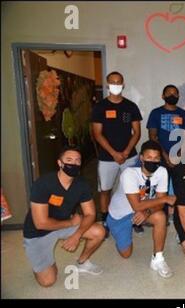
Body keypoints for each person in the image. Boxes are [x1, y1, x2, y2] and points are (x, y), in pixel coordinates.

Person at [23, 146, 105, 287]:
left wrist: (76, 235)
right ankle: (42, 264)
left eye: (77, 160)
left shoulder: (81, 185)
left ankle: (82, 263)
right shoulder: (43, 184)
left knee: (99, 231)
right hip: (38, 233)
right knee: (48, 281)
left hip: (65, 225)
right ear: (60, 163)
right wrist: (71, 223)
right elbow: (40, 224)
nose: (74, 164)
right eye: (69, 160)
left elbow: (90, 213)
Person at [106, 140, 176, 278]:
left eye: (156, 158)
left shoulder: (162, 172)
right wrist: (164, 199)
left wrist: (148, 212)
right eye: (149, 157)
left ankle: (158, 259)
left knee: (161, 216)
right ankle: (116, 229)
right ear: (141, 158)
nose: (153, 161)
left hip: (144, 210)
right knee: (126, 254)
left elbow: (159, 206)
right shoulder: (129, 173)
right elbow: (137, 205)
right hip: (120, 214)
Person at [91, 71, 142, 233]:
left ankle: (135, 219)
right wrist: (114, 153)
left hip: (129, 156)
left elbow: (137, 132)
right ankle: (105, 220)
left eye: (118, 82)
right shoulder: (100, 107)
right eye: (112, 82)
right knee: (105, 190)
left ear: (123, 84)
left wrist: (126, 152)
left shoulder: (131, 106)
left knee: (132, 189)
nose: (115, 85)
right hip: (107, 158)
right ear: (107, 85)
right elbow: (97, 134)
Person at [146, 84, 185, 230]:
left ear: (178, 96)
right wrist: (166, 156)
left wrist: (177, 156)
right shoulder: (155, 113)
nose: (172, 95)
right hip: (160, 159)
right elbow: (152, 137)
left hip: (180, 159)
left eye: (175, 93)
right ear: (163, 96)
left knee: (181, 190)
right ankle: (162, 218)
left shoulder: (184, 114)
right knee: (161, 191)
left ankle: (181, 218)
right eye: (169, 93)